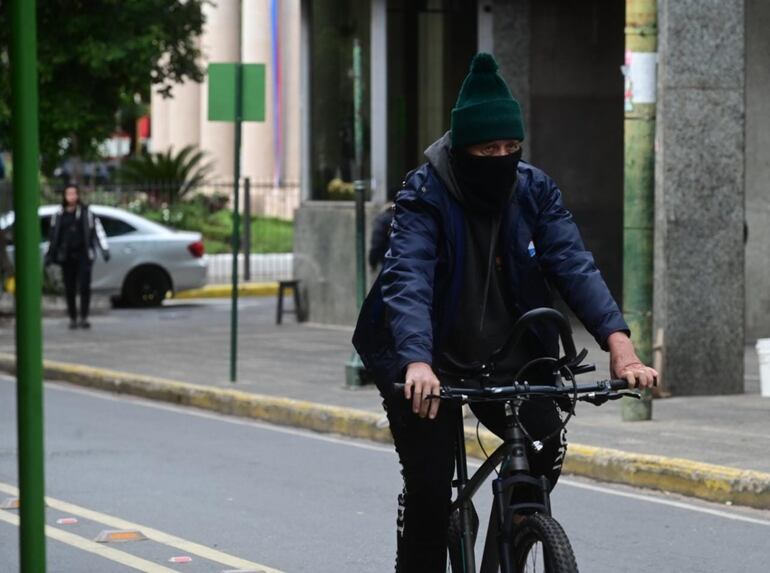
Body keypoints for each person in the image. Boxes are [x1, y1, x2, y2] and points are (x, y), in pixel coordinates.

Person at [352, 53, 657, 572]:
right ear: (462, 146)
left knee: (545, 447)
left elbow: (573, 263)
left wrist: (619, 342)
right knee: (430, 489)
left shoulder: (532, 189)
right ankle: (427, 527)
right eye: (488, 147)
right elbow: (409, 279)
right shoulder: (424, 194)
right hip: (423, 359)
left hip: (506, 355)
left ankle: (512, 535)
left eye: (511, 147)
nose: (501, 157)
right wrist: (416, 361)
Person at [45, 184, 110, 329]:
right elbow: (53, 237)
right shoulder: (59, 215)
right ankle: (73, 317)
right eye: (68, 193)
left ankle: (84, 317)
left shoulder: (87, 213)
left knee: (85, 286)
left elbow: (98, 231)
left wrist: (104, 249)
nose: (71, 196)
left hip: (84, 255)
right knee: (69, 288)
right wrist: (50, 255)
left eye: (74, 193)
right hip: (67, 257)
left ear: (78, 195)